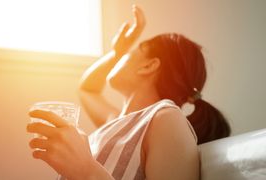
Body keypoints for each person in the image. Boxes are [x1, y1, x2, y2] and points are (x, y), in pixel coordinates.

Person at [27, 5, 231, 180]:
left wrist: (86, 171)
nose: (123, 55)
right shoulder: (118, 122)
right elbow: (87, 89)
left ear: (148, 66)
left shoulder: (166, 119)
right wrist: (117, 53)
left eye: (132, 51)